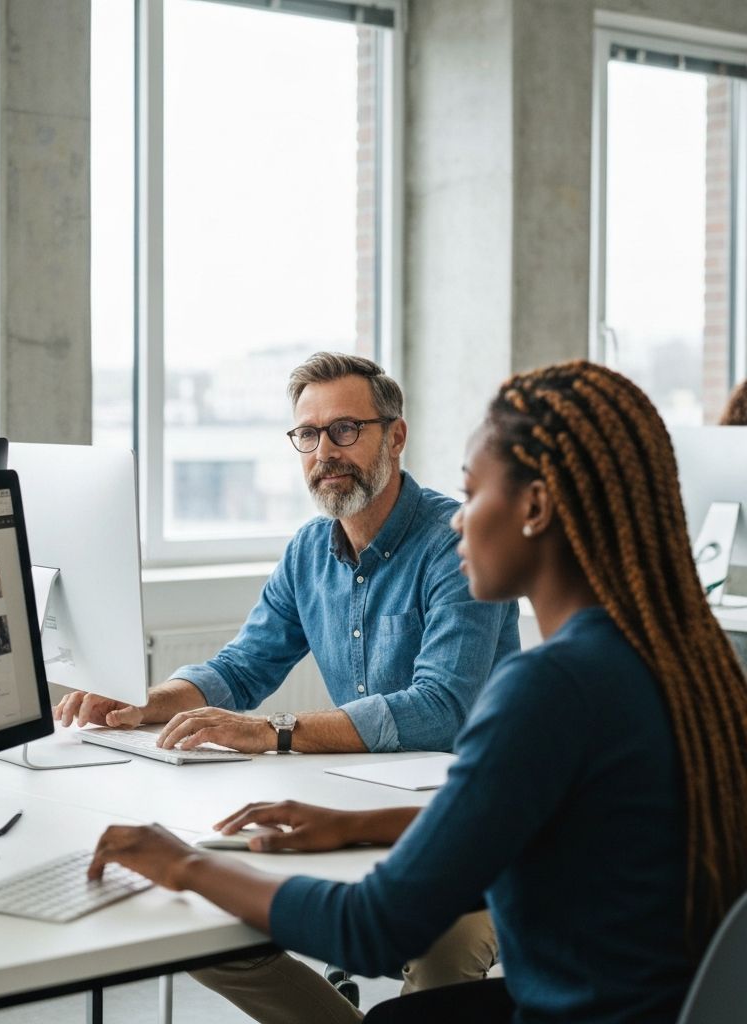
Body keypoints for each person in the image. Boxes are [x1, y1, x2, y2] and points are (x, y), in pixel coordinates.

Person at [87, 360, 747, 1024]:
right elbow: (535, 814)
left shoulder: (551, 688)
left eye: (474, 493)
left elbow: (374, 927)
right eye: (308, 435)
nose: (461, 521)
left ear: (537, 507)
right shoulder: (671, 655)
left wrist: (185, 866)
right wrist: (353, 825)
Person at [58, 352, 518, 759]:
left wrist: (272, 731)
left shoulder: (458, 544)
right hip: (367, 783)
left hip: (471, 786)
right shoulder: (309, 551)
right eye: (307, 434)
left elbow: (441, 710)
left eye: (345, 430)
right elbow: (240, 670)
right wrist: (143, 703)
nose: (324, 453)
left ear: (395, 437)